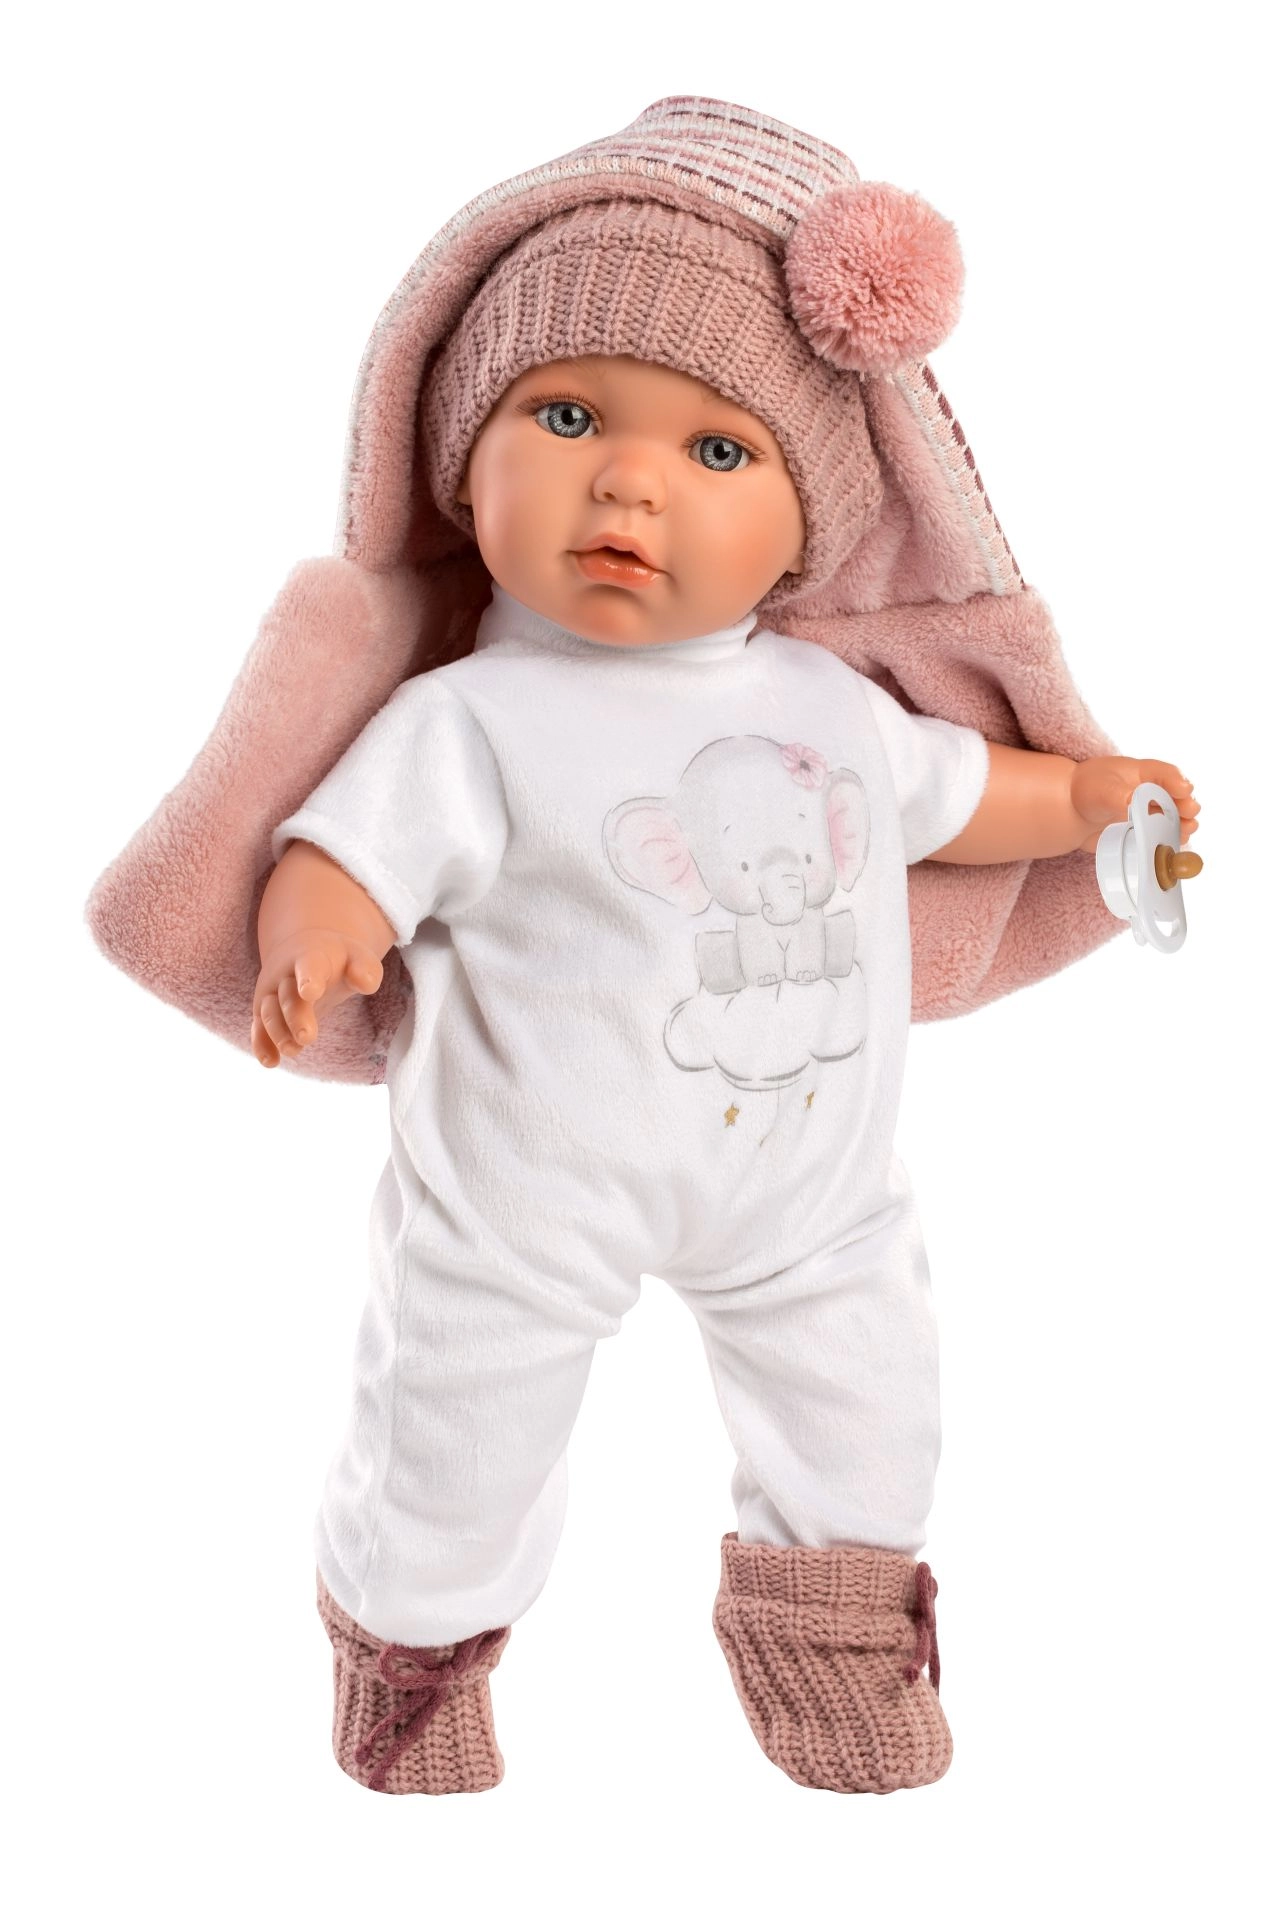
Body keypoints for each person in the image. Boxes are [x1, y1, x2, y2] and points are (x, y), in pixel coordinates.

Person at [87, 98, 1198, 1798]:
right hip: (523, 1201)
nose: (629, 478)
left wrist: (1093, 798)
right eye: (568, 414)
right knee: (454, 1435)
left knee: (871, 1416)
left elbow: (968, 794)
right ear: (461, 455)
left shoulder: (833, 704)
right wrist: (323, 933)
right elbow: (343, 850)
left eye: (720, 452)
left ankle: (836, 1660)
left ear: (812, 521)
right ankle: (411, 1675)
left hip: (812, 1197)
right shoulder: (472, 719)